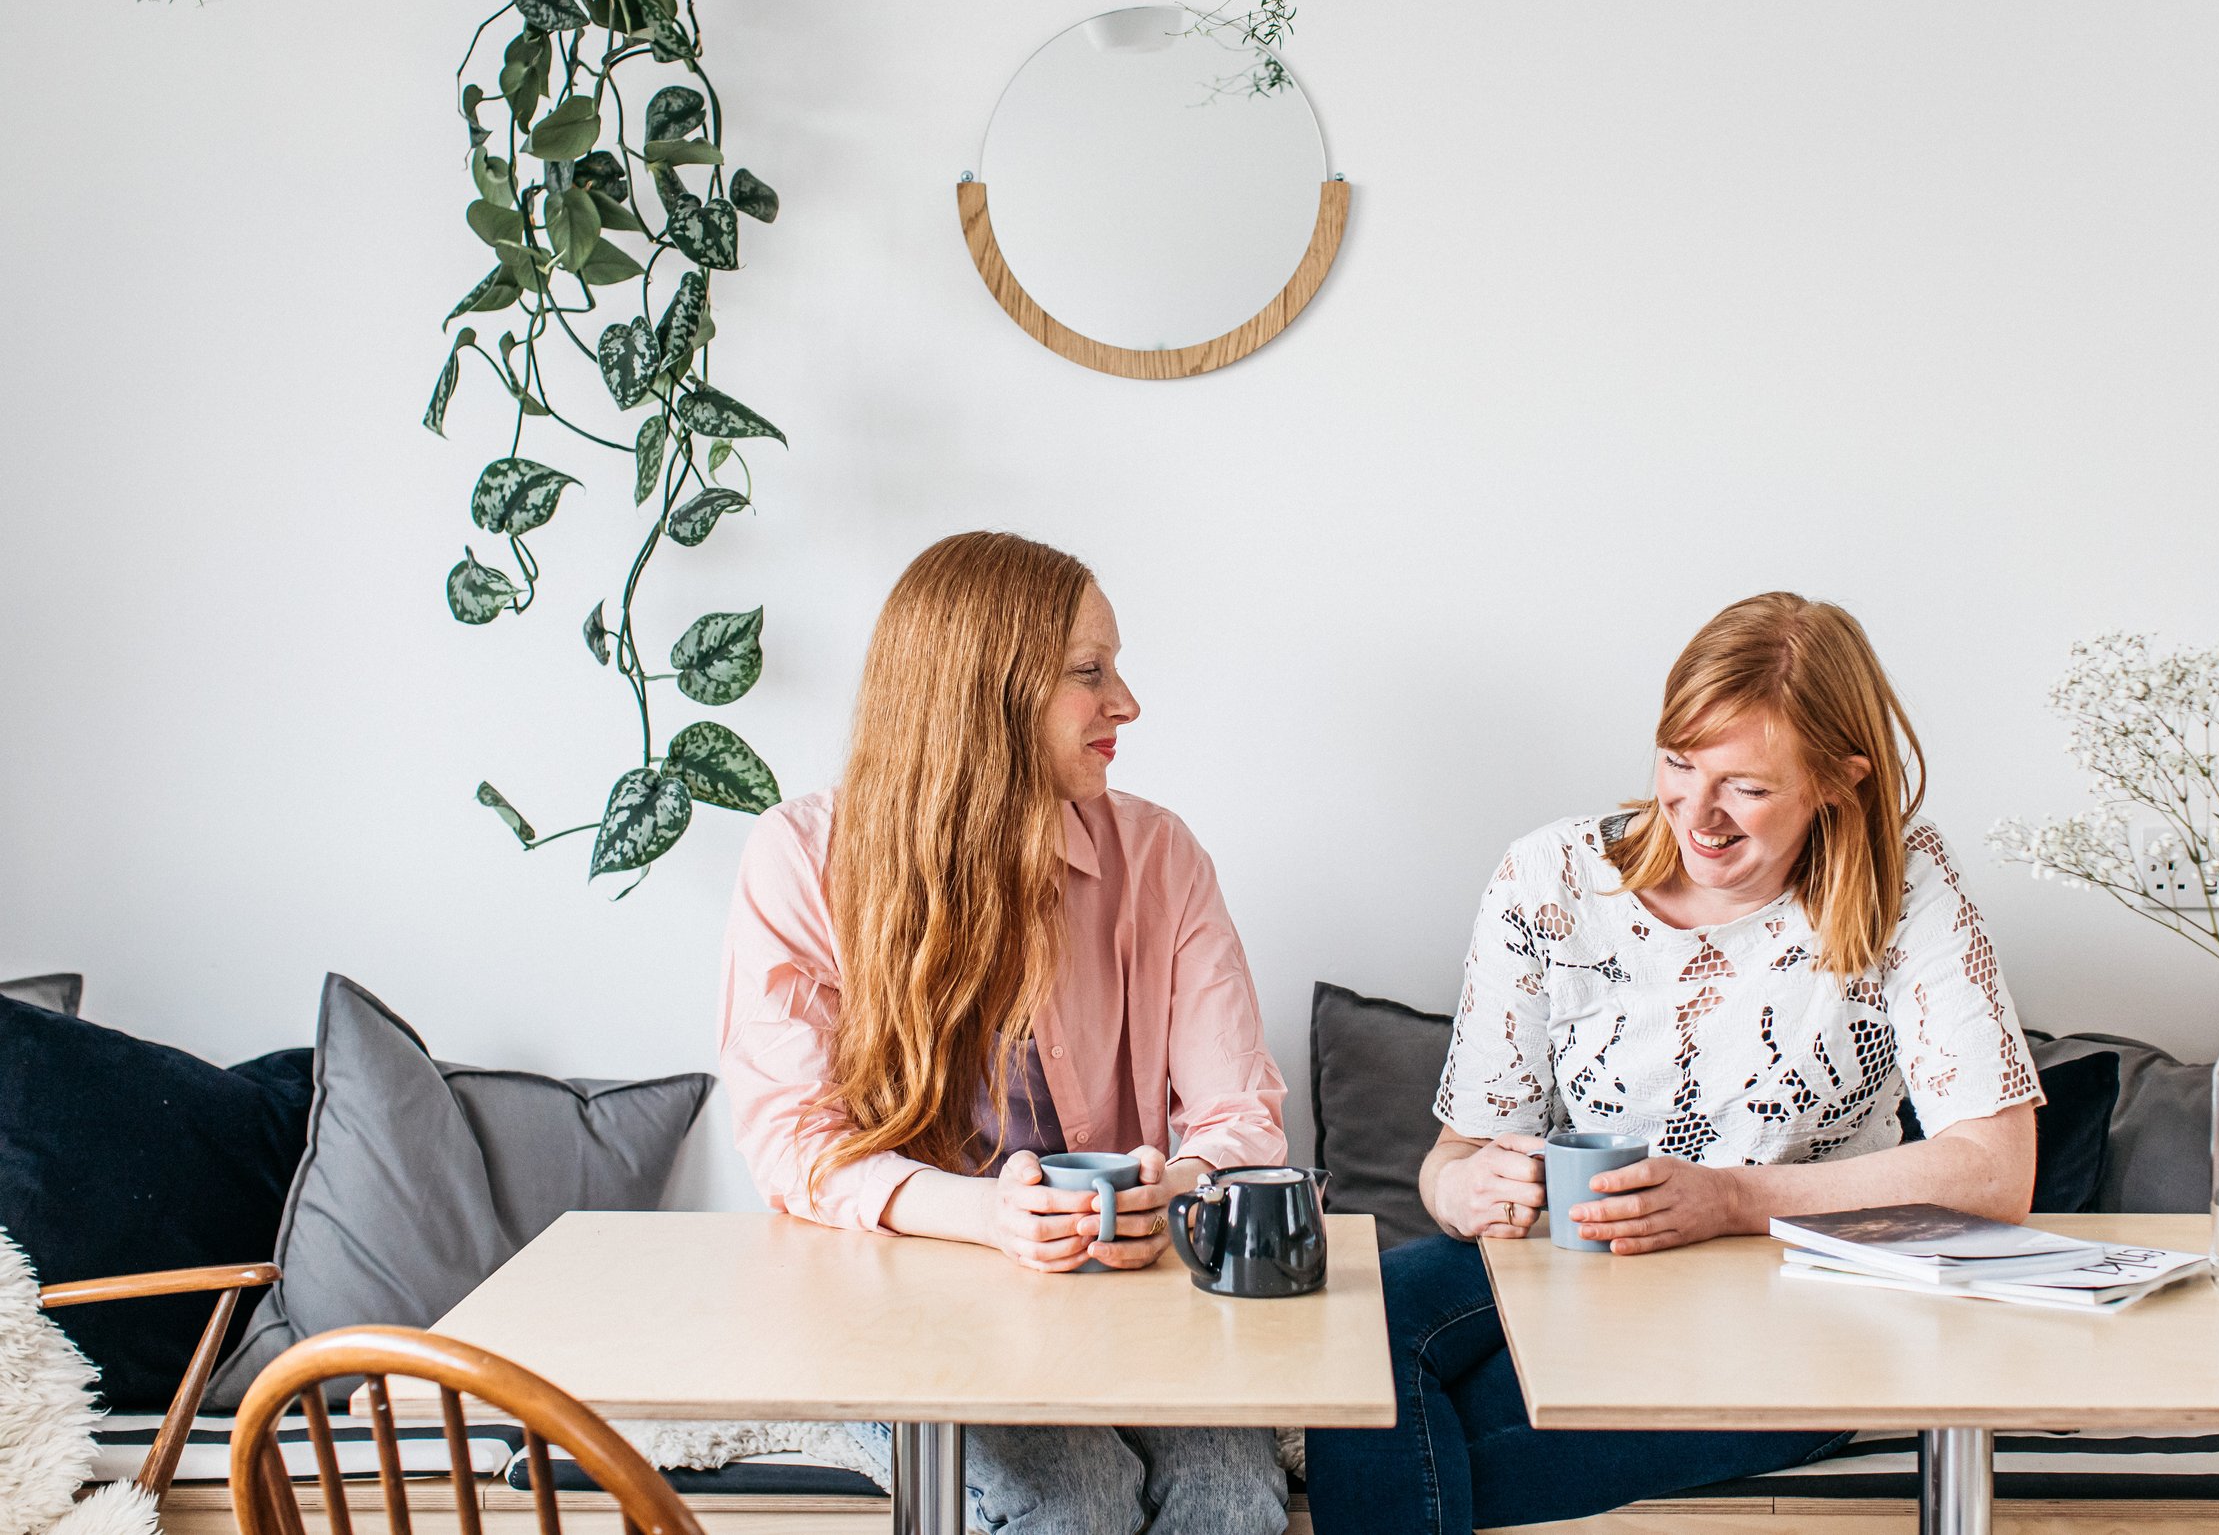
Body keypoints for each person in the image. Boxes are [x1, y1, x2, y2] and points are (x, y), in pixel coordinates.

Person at [1304, 592, 2044, 1535]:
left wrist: (1731, 1197)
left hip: (1795, 1300)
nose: (1699, 814)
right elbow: (1454, 1159)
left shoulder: (1908, 887)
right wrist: (1464, 1190)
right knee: (1353, 1338)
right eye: (1679, 763)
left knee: (1432, 1456)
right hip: (1570, 1273)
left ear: (1838, 780)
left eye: (1747, 785)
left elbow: (1996, 1168)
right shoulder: (1553, 879)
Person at [719, 531, 1290, 1535]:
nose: (1127, 702)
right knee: (1073, 1499)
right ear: (988, 690)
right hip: (887, 1296)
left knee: (1234, 1499)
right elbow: (789, 1142)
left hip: (1119, 1293)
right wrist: (985, 1214)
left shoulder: (1160, 856)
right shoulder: (801, 858)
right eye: (1089, 672)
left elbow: (1239, 1115)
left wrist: (1179, 1184)